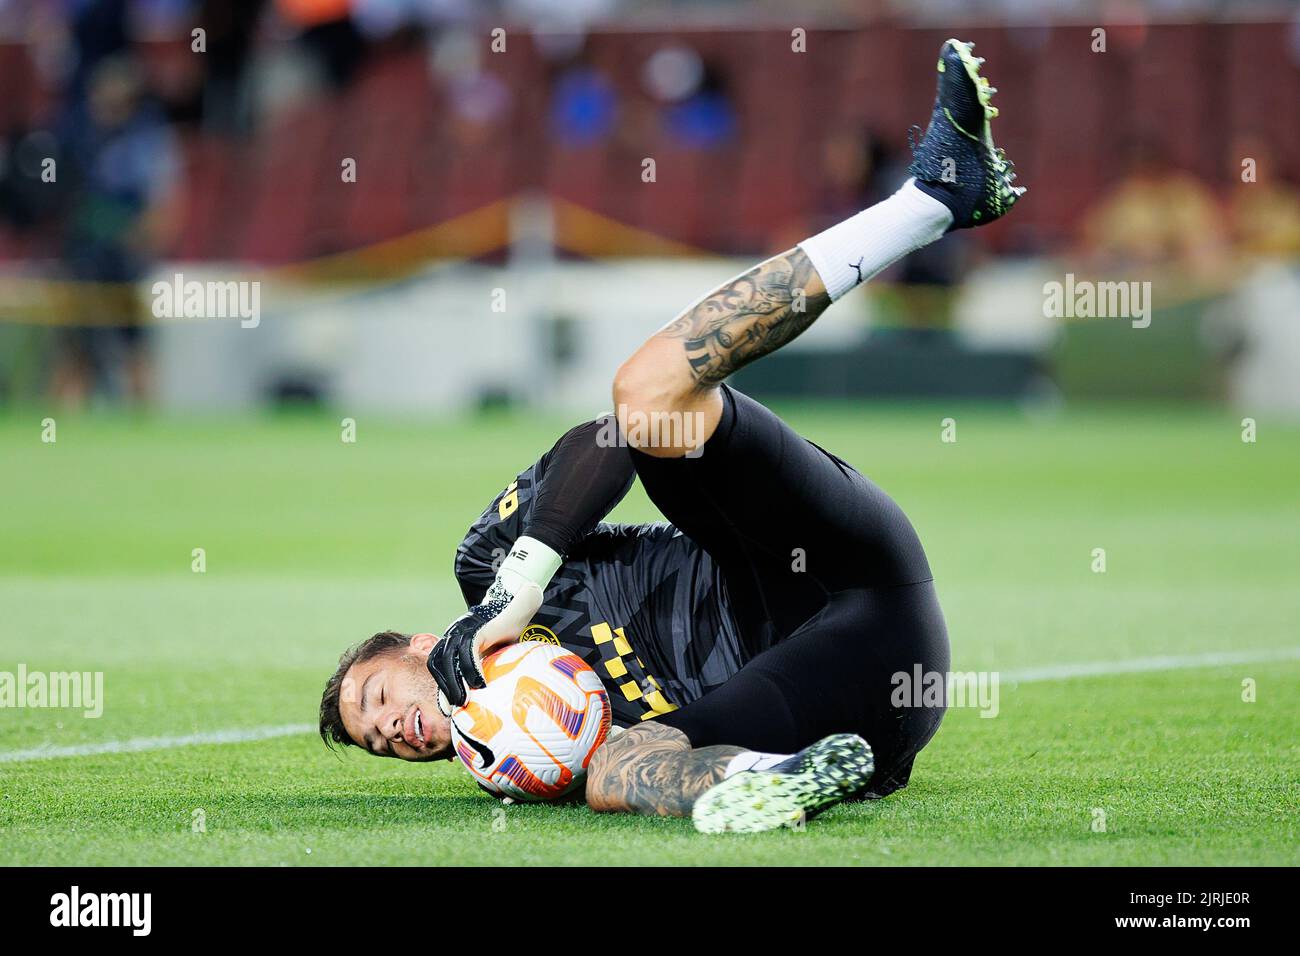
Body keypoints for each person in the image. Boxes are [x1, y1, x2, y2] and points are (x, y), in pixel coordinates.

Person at [319, 38, 1023, 832]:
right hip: (840, 700)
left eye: (377, 697)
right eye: (380, 743)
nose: (388, 729)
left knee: (646, 394)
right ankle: (775, 778)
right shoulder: (522, 759)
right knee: (614, 774)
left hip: (842, 581)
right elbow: (598, 763)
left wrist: (511, 595)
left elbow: (609, 439)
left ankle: (933, 199)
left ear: (417, 647)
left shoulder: (485, 563)